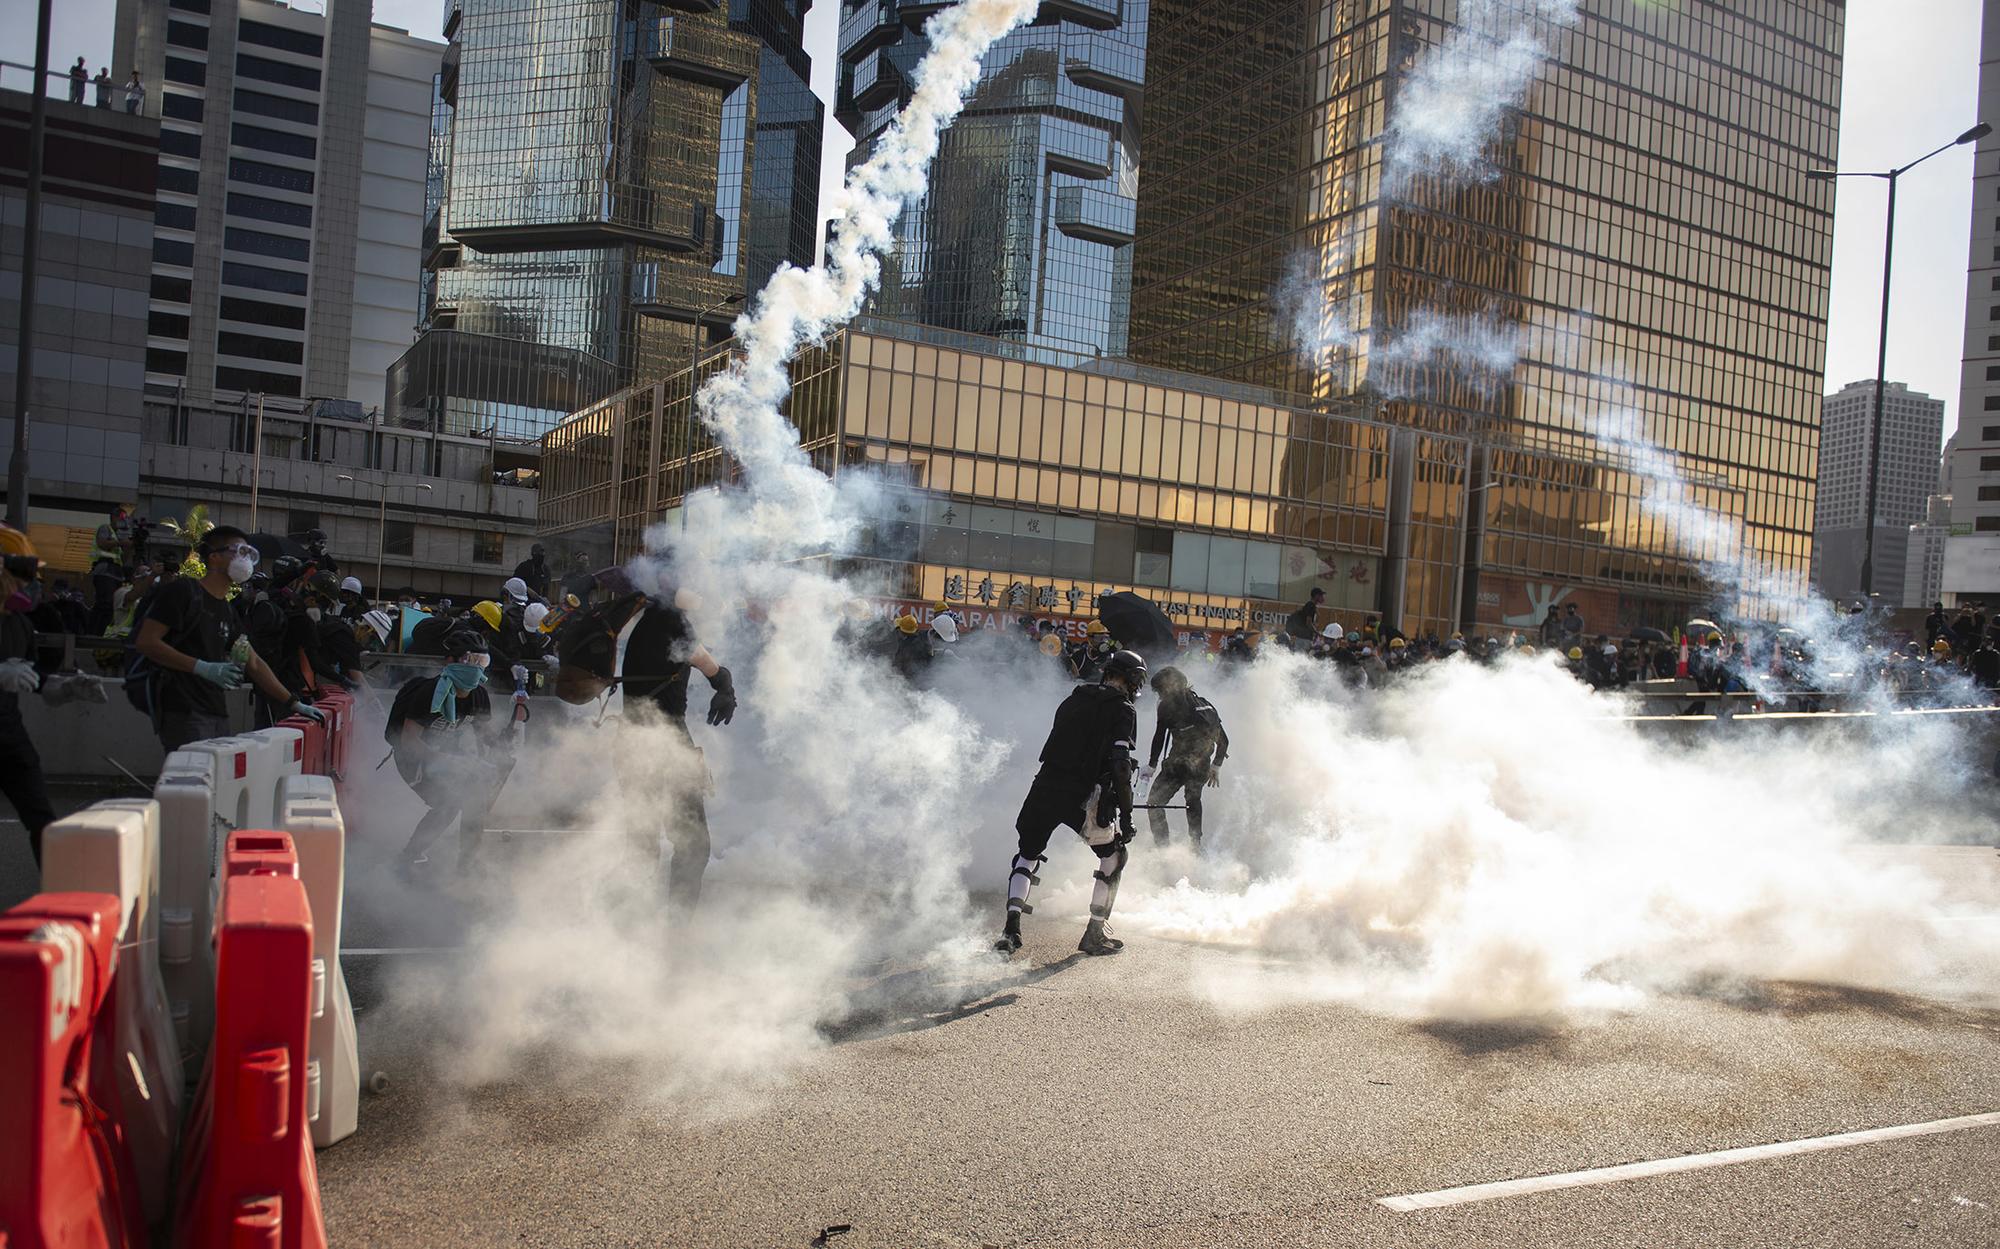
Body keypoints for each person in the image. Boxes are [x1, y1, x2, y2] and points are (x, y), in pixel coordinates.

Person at [997, 649, 1147, 958]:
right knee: (1114, 856)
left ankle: (1010, 931)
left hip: (1044, 786)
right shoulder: (1123, 710)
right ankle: (1094, 933)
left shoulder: (1074, 698)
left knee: (1027, 855)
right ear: (1132, 680)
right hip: (1082, 796)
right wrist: (1128, 814)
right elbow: (1120, 764)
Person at [602, 587, 738, 915]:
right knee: (693, 845)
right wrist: (725, 684)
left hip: (631, 743)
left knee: (642, 842)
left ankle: (625, 926)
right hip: (666, 744)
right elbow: (708, 665)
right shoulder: (672, 621)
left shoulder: (647, 623)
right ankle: (675, 933)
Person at [133, 525, 324, 751]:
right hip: (183, 708)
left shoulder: (227, 610)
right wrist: (201, 667)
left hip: (216, 710)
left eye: (247, 553)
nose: (245, 560)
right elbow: (147, 642)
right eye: (238, 551)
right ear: (214, 557)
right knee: (191, 780)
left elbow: (252, 661)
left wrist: (293, 703)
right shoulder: (184, 592)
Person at [387, 629, 510, 873]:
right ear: (450, 661)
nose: (475, 668)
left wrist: (504, 744)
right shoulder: (429, 692)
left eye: (481, 662)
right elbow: (409, 742)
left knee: (475, 798)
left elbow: (484, 733)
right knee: (448, 803)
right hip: (413, 759)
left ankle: (467, 864)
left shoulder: (479, 695)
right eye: (468, 660)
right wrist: (452, 761)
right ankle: (406, 859)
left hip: (446, 755)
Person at [1, 525, 57, 868]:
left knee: (43, 821)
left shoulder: (19, 624)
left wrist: (60, 687)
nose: (29, 585)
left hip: (10, 736)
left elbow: (31, 676)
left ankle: (59, 898)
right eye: (22, 575)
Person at [1141, 667, 1228, 848]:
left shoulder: (1185, 707)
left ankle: (1179, 846)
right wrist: (1216, 766)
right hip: (1188, 764)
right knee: (1175, 801)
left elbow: (1223, 741)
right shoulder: (1189, 705)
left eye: (1161, 691)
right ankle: (1179, 846)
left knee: (1173, 801)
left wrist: (1216, 766)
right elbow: (1224, 741)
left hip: (1189, 764)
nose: (1160, 696)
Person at [88, 503, 134, 636]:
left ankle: (101, 632)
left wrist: (128, 548)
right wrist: (122, 543)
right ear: (113, 517)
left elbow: (123, 560)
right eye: (121, 517)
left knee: (111, 605)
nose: (123, 520)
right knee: (104, 604)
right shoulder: (106, 529)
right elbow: (102, 543)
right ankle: (94, 633)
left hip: (115, 572)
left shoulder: (118, 536)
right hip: (104, 570)